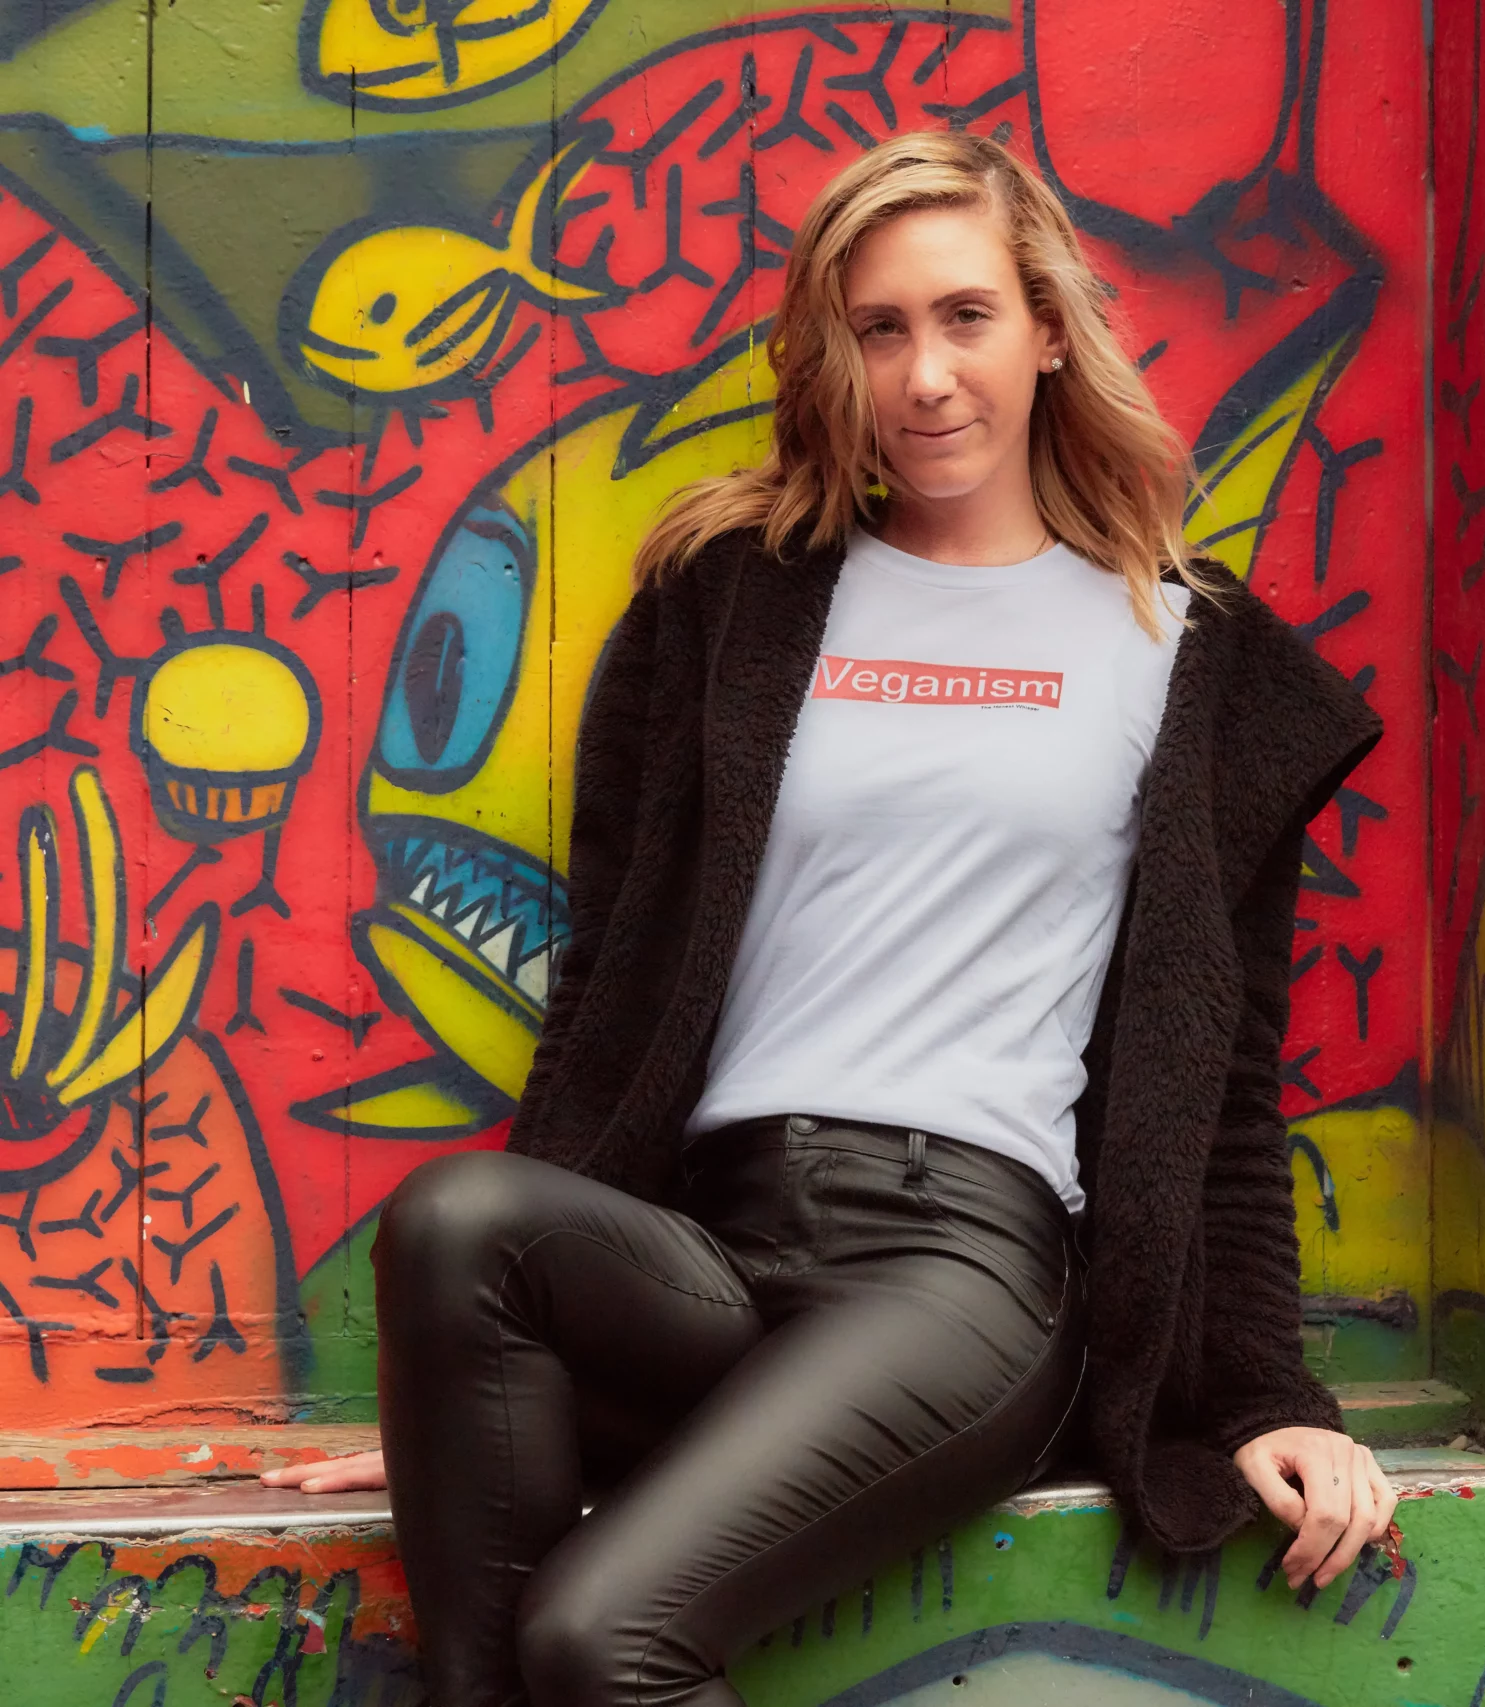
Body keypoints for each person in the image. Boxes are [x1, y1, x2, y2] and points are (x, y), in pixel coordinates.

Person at [263, 129, 1393, 1707]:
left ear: (1050, 328)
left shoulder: (1185, 653)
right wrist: (452, 1405)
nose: (926, 375)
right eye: (879, 329)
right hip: (721, 1247)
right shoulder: (733, 597)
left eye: (966, 316)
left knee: (604, 1635)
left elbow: (1228, 1084)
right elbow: (610, 984)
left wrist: (1276, 1394)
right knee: (457, 1225)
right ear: (833, 356)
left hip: (963, 1270)